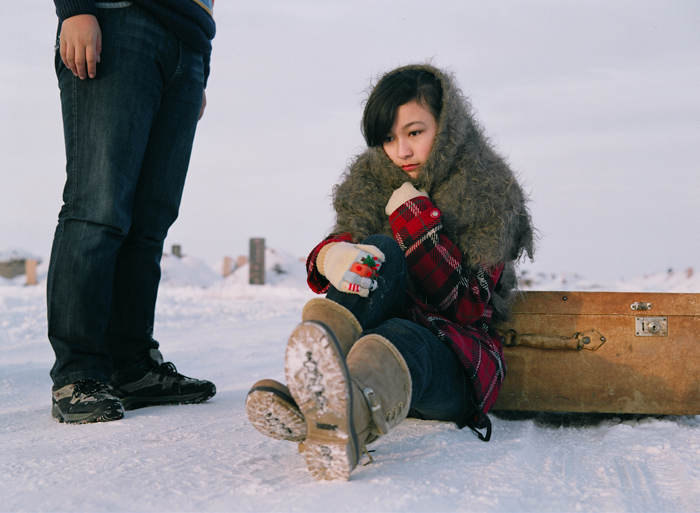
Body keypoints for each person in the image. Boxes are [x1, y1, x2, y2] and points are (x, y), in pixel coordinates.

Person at [244, 63, 535, 481]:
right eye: (388, 138)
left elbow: (469, 306)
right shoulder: (369, 181)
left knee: (398, 336)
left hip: (448, 361)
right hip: (366, 351)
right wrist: (332, 257)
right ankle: (318, 386)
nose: (401, 151)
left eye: (415, 132)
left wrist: (416, 220)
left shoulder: (488, 188)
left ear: (446, 127)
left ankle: (348, 424)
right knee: (376, 250)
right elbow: (344, 247)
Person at [48, 0, 217, 424]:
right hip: (118, 16)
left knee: (151, 220)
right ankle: (79, 374)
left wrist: (199, 63)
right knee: (98, 207)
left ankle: (132, 367)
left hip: (187, 43)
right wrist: (75, 8)